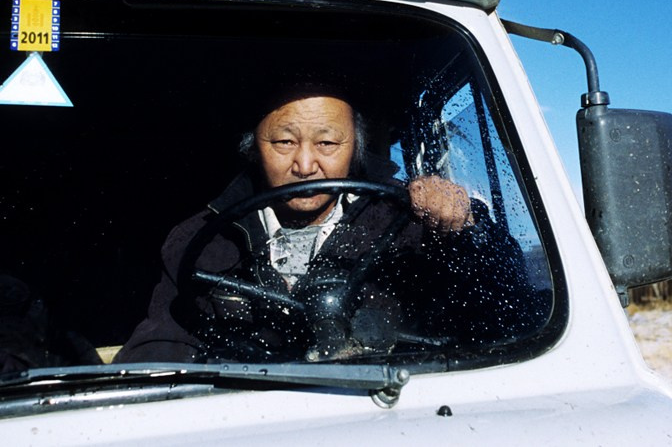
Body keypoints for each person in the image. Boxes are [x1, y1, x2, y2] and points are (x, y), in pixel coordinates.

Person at [115, 83, 537, 364]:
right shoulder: (201, 241)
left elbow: (501, 299)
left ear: (354, 149)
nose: (304, 164)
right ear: (253, 148)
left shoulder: (407, 221)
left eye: (327, 143)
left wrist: (464, 227)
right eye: (283, 141)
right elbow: (163, 343)